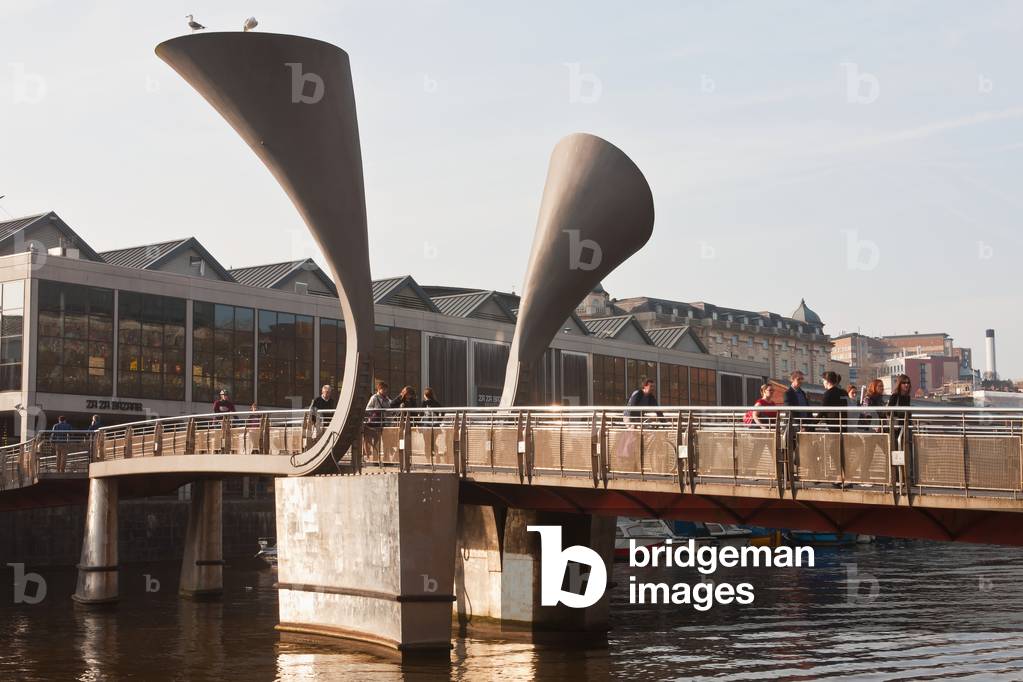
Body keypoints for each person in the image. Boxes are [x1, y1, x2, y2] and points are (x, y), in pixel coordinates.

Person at [888, 373, 913, 447]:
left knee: (907, 447)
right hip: (897, 427)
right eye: (904, 383)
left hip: (906, 425)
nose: (906, 385)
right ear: (899, 384)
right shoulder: (895, 396)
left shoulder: (907, 397)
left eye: (908, 383)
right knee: (898, 446)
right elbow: (888, 412)